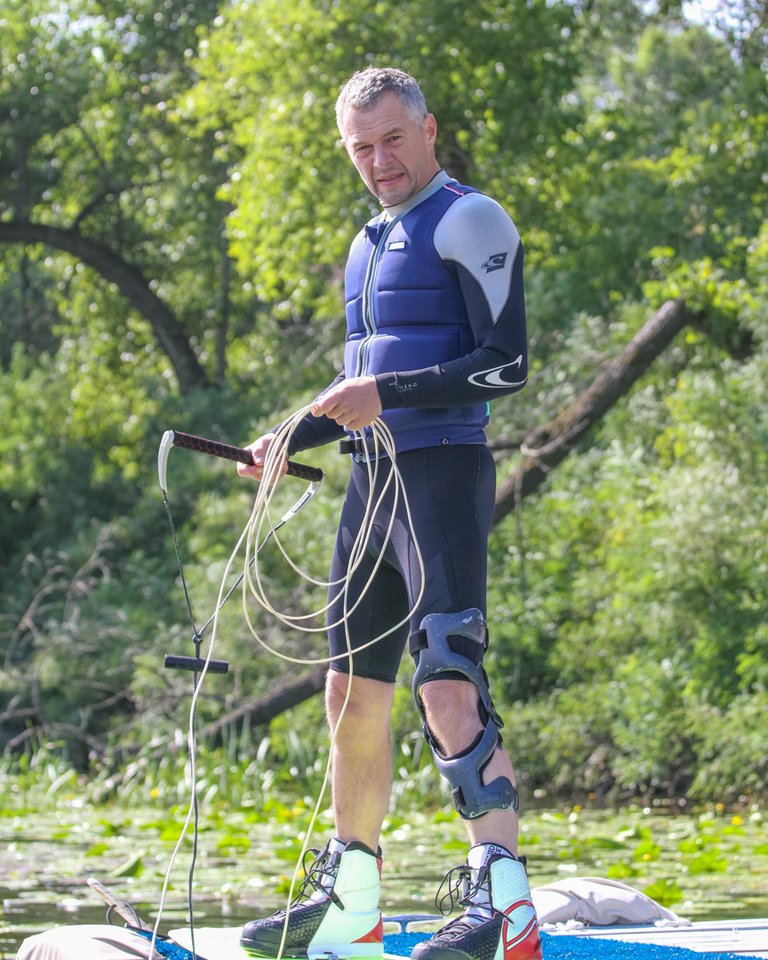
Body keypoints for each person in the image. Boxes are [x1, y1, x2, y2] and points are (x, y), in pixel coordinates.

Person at [237, 67, 542, 960]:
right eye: (361, 147)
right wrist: (291, 434)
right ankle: (351, 902)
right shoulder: (368, 242)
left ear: (428, 129)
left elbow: (507, 363)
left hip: (441, 472)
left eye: (392, 139)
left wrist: (389, 392)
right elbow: (358, 393)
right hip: (372, 484)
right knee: (348, 690)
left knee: (447, 678)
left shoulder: (471, 218)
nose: (379, 160)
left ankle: (505, 902)